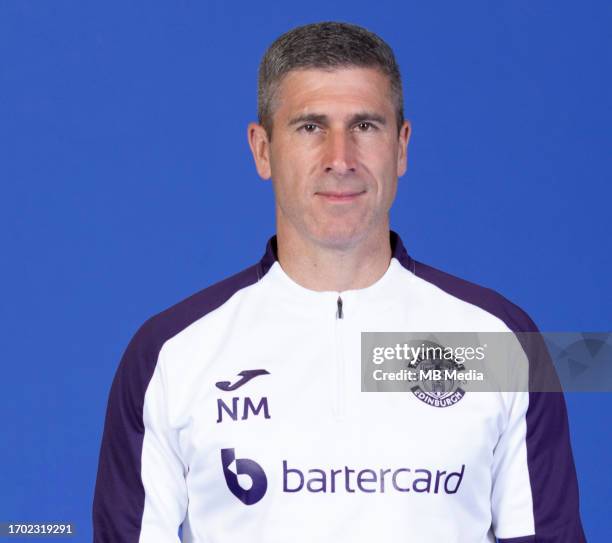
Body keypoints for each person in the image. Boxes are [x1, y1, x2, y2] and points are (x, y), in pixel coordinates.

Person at [92, 21, 586, 542]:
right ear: (262, 149)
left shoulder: (501, 342)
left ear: (401, 146)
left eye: (366, 126)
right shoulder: (171, 355)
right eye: (310, 127)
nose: (341, 160)